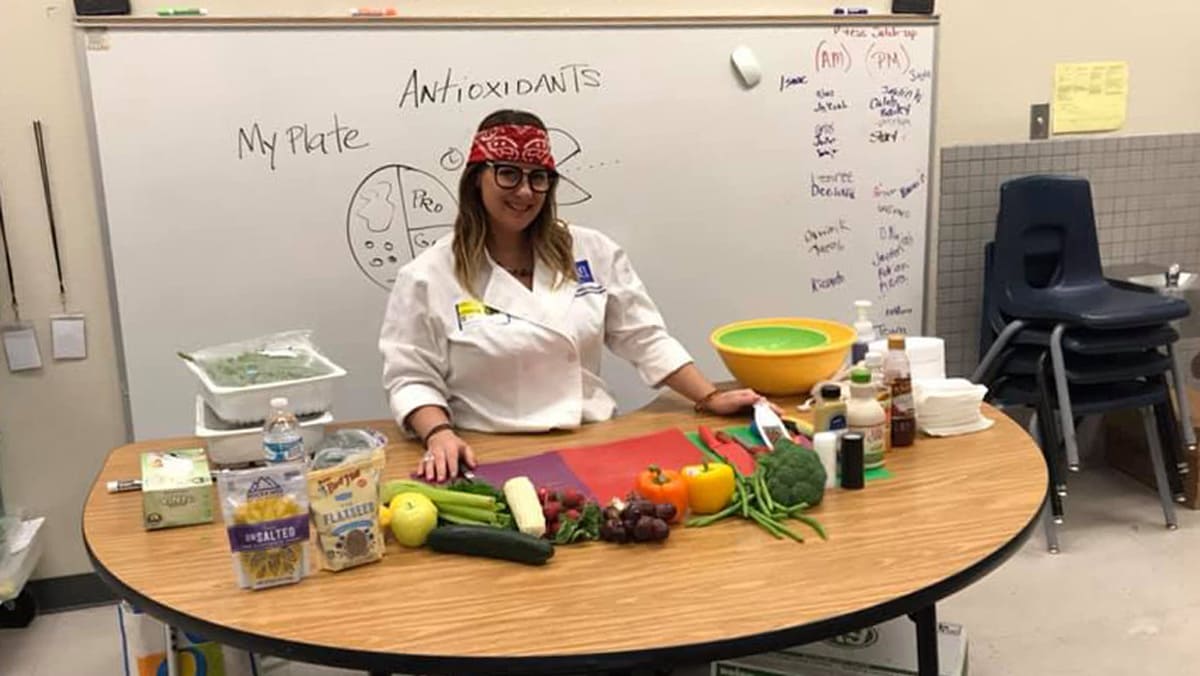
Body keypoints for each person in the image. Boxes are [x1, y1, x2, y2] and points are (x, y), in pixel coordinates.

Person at [380, 109, 771, 481]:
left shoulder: (591, 251)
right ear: (476, 179)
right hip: (488, 450)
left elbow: (643, 337)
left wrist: (708, 397)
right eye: (507, 174)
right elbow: (410, 376)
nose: (524, 191)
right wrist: (439, 434)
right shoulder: (427, 276)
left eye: (538, 178)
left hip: (594, 443)